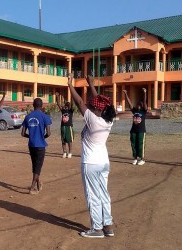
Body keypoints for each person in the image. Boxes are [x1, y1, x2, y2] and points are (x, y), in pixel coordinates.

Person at [68, 73, 117, 239]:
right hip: (103, 163)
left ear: (97, 109)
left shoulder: (93, 120)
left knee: (93, 195)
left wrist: (70, 85)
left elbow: (79, 102)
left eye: (93, 106)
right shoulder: (107, 120)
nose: (90, 107)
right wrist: (90, 83)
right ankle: (108, 226)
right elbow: (99, 101)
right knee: (103, 194)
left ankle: (96, 229)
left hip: (91, 163)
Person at [21, 98, 52, 194]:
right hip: (40, 145)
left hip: (31, 144)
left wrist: (31, 136)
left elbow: (22, 133)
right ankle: (32, 188)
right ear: (42, 105)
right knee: (38, 166)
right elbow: (49, 133)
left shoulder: (28, 117)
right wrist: (42, 137)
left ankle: (38, 185)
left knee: (35, 165)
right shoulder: (45, 116)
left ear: (33, 105)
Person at [123, 88, 147, 165]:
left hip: (141, 131)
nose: (138, 105)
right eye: (137, 104)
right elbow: (129, 102)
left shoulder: (144, 111)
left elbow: (144, 101)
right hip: (133, 130)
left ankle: (142, 159)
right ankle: (135, 158)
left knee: (140, 145)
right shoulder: (134, 111)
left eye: (140, 104)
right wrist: (126, 94)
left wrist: (144, 93)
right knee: (133, 144)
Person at [56, 91, 74, 158]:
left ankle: (70, 152)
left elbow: (72, 104)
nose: (66, 107)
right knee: (63, 140)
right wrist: (57, 96)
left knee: (69, 140)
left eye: (68, 106)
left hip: (68, 127)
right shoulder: (63, 111)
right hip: (63, 127)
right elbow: (58, 104)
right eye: (66, 106)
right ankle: (64, 152)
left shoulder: (71, 111)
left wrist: (72, 96)